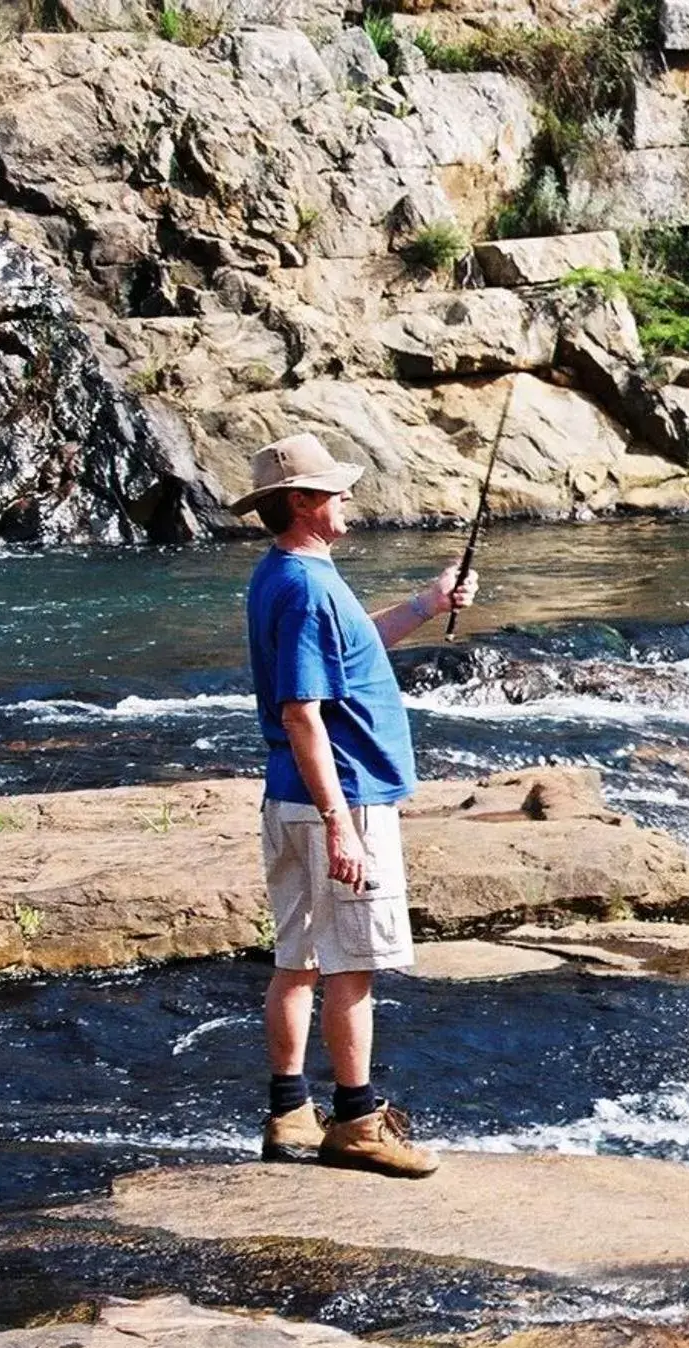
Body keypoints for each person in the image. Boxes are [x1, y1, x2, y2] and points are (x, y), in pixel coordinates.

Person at [233, 432, 477, 1178]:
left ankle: (288, 1114)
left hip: (295, 797)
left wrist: (427, 604)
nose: (348, 499)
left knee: (299, 960)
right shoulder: (306, 587)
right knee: (353, 966)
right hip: (340, 797)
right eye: (335, 490)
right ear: (303, 503)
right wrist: (341, 823)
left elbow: (353, 650)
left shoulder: (286, 574)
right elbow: (303, 710)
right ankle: (358, 1120)